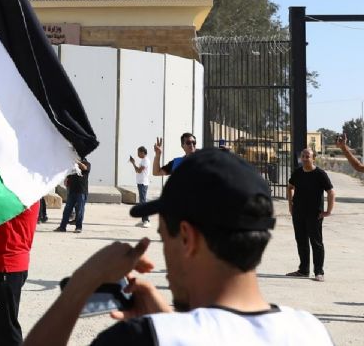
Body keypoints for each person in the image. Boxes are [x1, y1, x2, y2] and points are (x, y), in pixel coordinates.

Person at [24, 148, 334, 346]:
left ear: (186, 237)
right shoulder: (310, 332)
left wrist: (81, 285)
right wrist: (171, 317)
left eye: (163, 236)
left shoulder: (144, 339)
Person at [0, 201, 40, 345]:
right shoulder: (28, 188)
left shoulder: (17, 191)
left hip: (3, 263)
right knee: (2, 327)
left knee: (6, 332)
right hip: (3, 263)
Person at [286, 147, 334, 282]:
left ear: (313, 158)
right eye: (303, 156)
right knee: (301, 242)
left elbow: (331, 192)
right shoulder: (297, 173)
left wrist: (328, 211)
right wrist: (290, 205)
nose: (305, 158)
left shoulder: (320, 174)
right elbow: (289, 187)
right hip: (298, 213)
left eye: (308, 156)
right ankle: (303, 270)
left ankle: (319, 272)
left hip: (314, 214)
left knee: (316, 243)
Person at [55, 159, 89, 233]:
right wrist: (66, 179)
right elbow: (69, 175)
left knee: (80, 210)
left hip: (81, 192)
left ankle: (78, 227)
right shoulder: (73, 166)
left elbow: (84, 168)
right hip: (72, 191)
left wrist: (77, 162)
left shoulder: (86, 163)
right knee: (67, 210)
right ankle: (62, 227)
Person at [129, 147, 150, 227]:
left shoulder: (145, 160)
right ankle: (144, 220)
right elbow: (137, 170)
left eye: (138, 152)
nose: (137, 154)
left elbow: (139, 170)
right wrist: (133, 163)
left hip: (143, 183)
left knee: (143, 202)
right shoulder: (143, 160)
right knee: (142, 202)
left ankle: (146, 221)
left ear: (142, 152)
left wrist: (133, 163)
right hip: (140, 182)